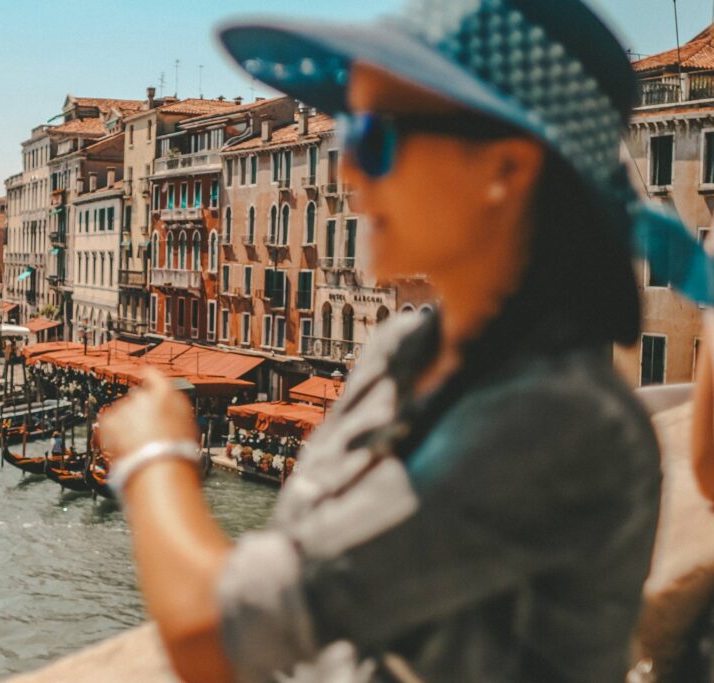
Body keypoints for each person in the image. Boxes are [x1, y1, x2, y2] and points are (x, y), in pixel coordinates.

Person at [99, 2, 665, 682]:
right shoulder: (399, 349)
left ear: (506, 169)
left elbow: (216, 635)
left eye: (375, 139)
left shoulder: (561, 426)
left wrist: (155, 456)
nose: (347, 175)